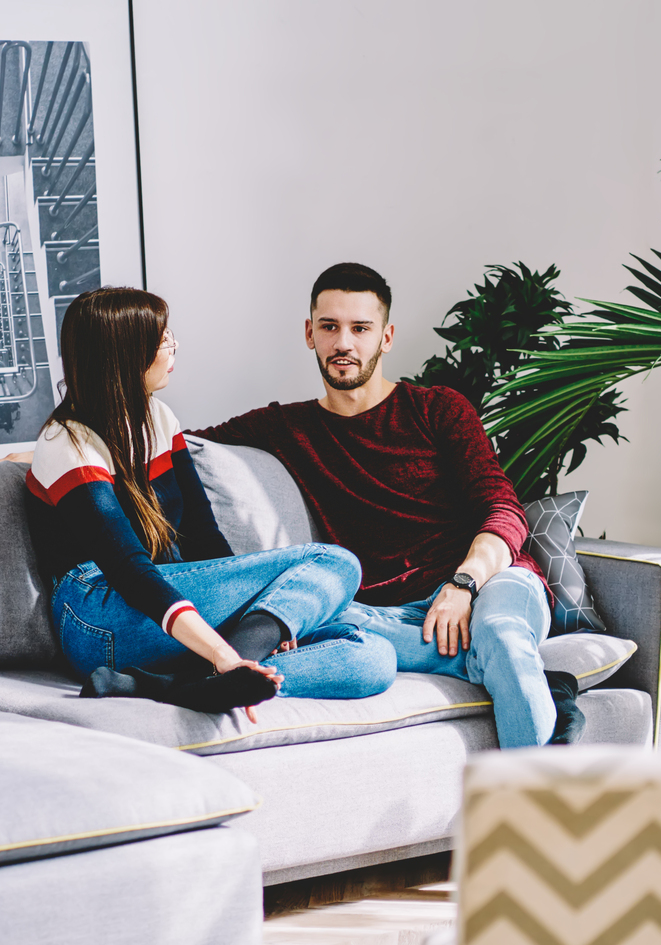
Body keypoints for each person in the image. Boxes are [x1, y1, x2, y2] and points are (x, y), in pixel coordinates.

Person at [190, 262, 580, 747]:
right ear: (309, 333)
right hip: (384, 616)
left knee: (499, 633)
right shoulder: (285, 427)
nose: (344, 343)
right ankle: (536, 686)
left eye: (361, 328)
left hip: (489, 584)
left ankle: (524, 809)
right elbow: (178, 447)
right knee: (327, 633)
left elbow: (502, 508)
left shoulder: (438, 409)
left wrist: (464, 583)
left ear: (386, 337)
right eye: (330, 327)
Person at [13, 286, 396, 715]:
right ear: (124, 355)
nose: (173, 345)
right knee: (337, 562)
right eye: (161, 340)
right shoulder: (66, 443)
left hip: (163, 612)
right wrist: (226, 650)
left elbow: (203, 536)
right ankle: (224, 670)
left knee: (371, 658)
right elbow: (129, 570)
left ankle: (176, 685)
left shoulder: (158, 417)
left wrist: (271, 616)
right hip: (97, 617)